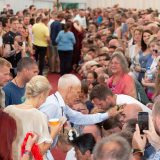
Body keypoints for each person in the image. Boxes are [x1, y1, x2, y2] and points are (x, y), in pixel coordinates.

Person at [5, 75, 62, 160]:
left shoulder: (8, 110)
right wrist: (54, 132)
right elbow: (39, 152)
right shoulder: (39, 116)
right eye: (46, 97)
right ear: (42, 95)